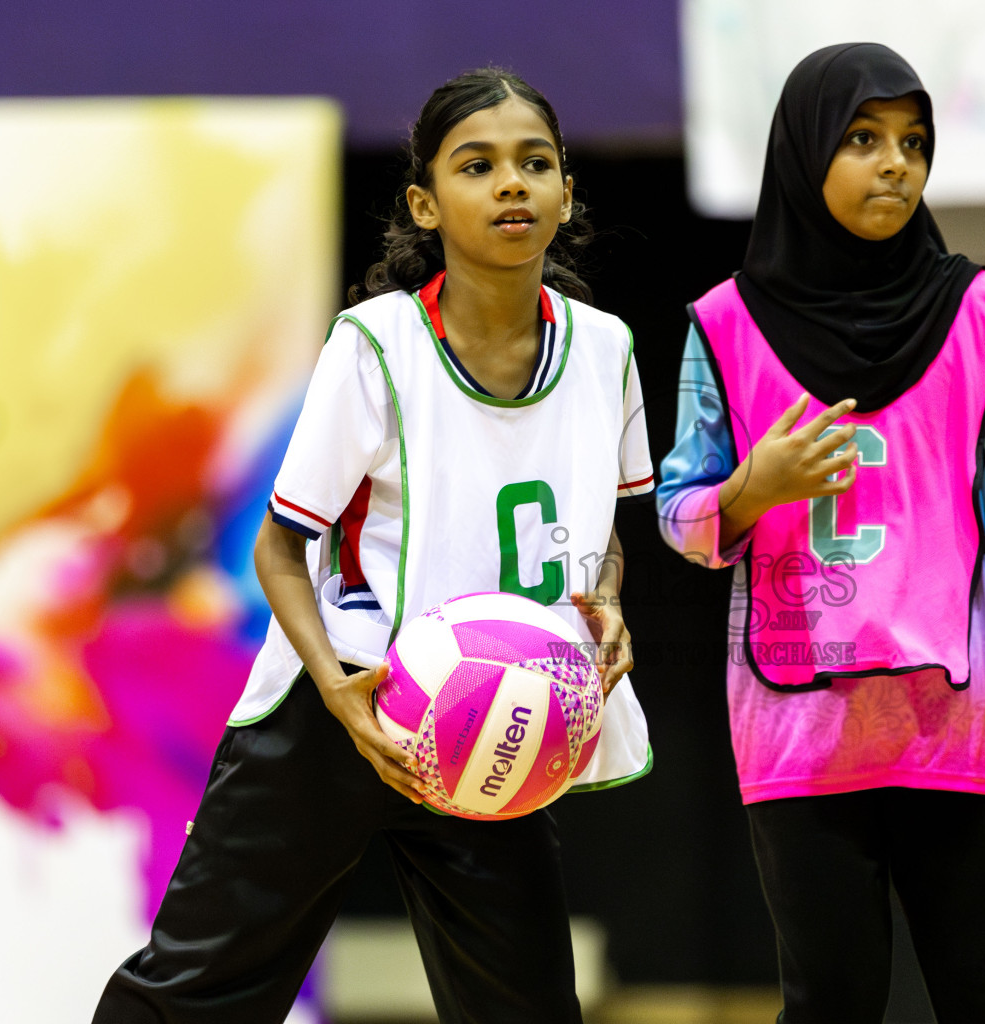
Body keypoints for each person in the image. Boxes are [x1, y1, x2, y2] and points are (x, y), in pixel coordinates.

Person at [94, 68, 655, 1024]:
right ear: (425, 204)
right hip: (341, 705)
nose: (512, 184)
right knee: (196, 995)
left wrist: (604, 602)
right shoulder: (376, 344)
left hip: (495, 718)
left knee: (526, 1007)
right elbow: (280, 550)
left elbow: (599, 535)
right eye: (477, 166)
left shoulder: (605, 349)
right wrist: (342, 697)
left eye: (536, 163)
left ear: (567, 193)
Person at [657, 43, 985, 1023]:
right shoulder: (725, 328)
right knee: (831, 1006)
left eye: (914, 141)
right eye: (863, 139)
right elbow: (680, 514)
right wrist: (750, 489)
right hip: (801, 744)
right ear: (802, 153)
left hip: (964, 733)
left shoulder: (980, 320)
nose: (896, 162)